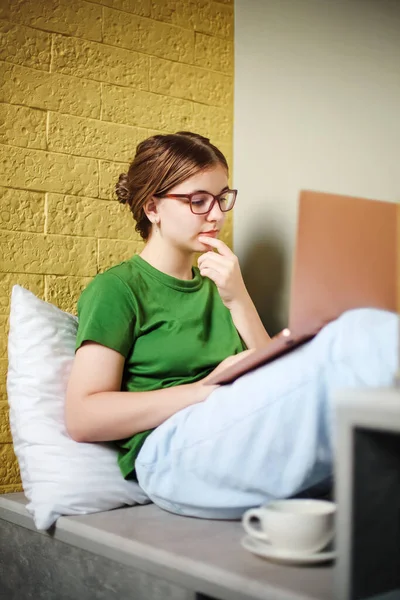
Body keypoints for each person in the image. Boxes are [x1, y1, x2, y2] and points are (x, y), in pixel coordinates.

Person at [65, 131, 398, 519]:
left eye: (222, 198)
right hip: (168, 454)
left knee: (359, 333)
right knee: (355, 335)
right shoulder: (117, 289)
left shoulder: (220, 285)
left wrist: (238, 297)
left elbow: (271, 375)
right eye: (198, 201)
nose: (218, 215)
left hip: (227, 431)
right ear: (152, 207)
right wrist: (204, 390)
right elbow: (83, 417)